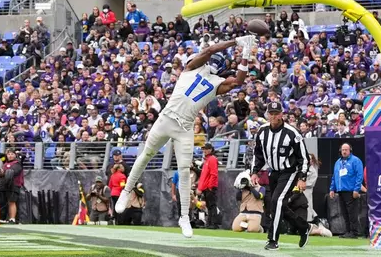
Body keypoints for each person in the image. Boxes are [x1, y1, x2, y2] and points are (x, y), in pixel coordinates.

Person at [115, 35, 254, 238]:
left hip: (184, 127)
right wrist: (236, 43)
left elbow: (238, 81)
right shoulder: (192, 67)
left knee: (183, 170)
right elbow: (209, 52)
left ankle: (184, 217)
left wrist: (246, 53)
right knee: (145, 155)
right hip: (166, 119)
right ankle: (126, 191)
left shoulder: (216, 82)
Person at [251, 101, 312, 250]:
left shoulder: (292, 133)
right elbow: (257, 153)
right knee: (276, 204)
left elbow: (303, 157)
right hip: (274, 172)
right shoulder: (262, 131)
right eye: (270, 113)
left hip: (289, 172)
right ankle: (303, 227)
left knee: (277, 202)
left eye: (276, 113)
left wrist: (302, 177)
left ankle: (273, 240)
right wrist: (254, 171)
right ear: (267, 114)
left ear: (281, 114)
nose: (273, 116)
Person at [329, 143, 363, 238]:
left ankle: (354, 232)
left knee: (352, 213)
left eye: (346, 149)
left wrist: (356, 189)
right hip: (340, 191)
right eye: (342, 149)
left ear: (350, 150)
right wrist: (332, 189)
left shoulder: (355, 161)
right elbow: (334, 176)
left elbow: (359, 176)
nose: (344, 151)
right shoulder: (338, 162)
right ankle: (348, 231)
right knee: (344, 212)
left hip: (350, 191)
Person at [0, 148, 23, 224]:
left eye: (12, 154)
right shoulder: (5, 163)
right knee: (3, 202)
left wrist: (3, 172)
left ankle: (12, 218)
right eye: (9, 154)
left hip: (14, 185)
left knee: (12, 202)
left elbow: (14, 172)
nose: (10, 156)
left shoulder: (18, 163)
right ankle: (3, 218)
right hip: (4, 185)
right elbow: (0, 155)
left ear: (15, 155)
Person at [197, 142, 220, 229]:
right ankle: (210, 223)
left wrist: (210, 186)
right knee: (209, 206)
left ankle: (213, 223)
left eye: (206, 149)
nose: (204, 151)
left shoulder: (212, 159)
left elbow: (214, 174)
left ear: (210, 149)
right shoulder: (207, 159)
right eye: (203, 149)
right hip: (207, 187)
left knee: (212, 205)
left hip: (210, 187)